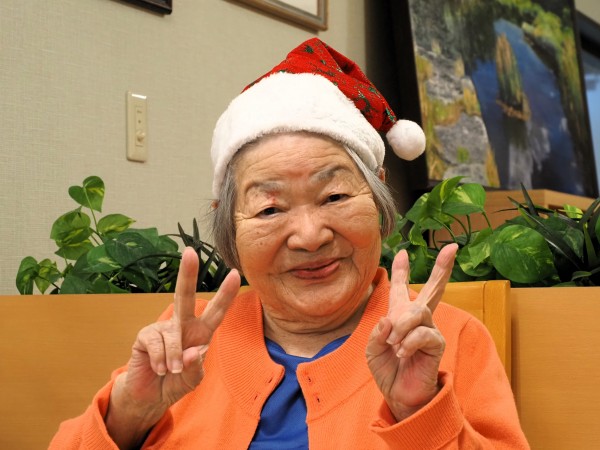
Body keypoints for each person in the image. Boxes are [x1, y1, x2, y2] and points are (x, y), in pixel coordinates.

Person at [50, 38, 529, 449]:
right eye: (270, 209)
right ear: (230, 226)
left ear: (379, 198)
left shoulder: (447, 340)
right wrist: (131, 411)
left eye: (334, 196)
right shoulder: (186, 343)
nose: (309, 236)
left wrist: (419, 411)